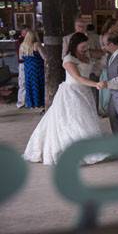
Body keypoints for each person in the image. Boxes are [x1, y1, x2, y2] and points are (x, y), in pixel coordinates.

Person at [23, 33, 108, 165]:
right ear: (75, 45)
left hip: (84, 92)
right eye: (83, 46)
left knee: (86, 119)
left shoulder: (86, 54)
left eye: (87, 45)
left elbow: (101, 54)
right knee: (74, 121)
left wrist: (104, 51)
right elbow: (78, 78)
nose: (86, 48)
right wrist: (96, 84)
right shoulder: (68, 59)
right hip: (72, 92)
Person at [98, 19, 118, 116]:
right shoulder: (103, 36)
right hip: (107, 62)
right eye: (117, 24)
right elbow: (102, 50)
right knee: (107, 86)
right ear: (111, 25)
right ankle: (106, 108)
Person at [20, 30, 46, 109]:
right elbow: (44, 57)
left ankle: (31, 103)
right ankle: (40, 102)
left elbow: (20, 57)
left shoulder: (22, 45)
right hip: (37, 67)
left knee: (29, 84)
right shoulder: (37, 45)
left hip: (27, 68)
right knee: (38, 83)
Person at [16, 25, 29, 108]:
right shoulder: (20, 41)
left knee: (27, 83)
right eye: (26, 32)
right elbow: (21, 56)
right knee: (22, 83)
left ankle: (27, 101)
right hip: (23, 63)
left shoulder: (27, 40)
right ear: (22, 32)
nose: (28, 33)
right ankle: (21, 102)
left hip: (27, 63)